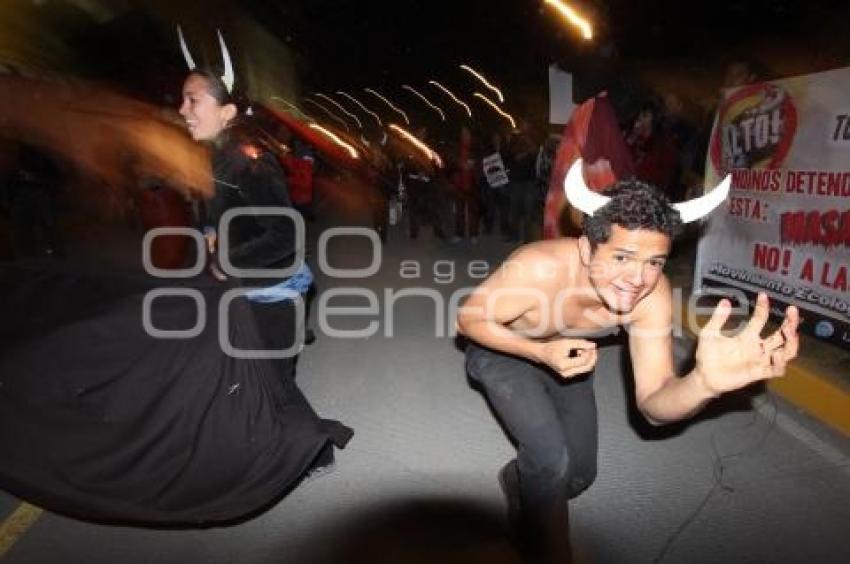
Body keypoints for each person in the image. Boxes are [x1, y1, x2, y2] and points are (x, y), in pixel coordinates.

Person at [457, 161, 799, 562]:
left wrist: (702, 383)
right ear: (588, 248)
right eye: (622, 257)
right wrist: (539, 352)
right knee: (551, 460)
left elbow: (654, 406)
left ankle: (521, 481)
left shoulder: (650, 299)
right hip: (503, 350)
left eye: (654, 262)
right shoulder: (540, 266)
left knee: (579, 475)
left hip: (567, 353)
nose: (638, 278)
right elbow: (469, 318)